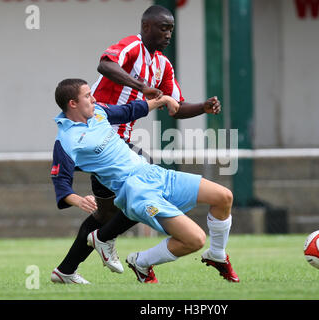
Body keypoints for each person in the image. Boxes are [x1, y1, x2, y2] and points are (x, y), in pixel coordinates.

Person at [51, 4, 222, 283]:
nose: (168, 34)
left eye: (171, 29)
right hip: (97, 138)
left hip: (117, 144)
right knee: (140, 189)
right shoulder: (132, 45)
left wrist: (203, 107)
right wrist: (140, 87)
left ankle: (68, 268)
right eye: (163, 28)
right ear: (146, 28)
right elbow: (104, 64)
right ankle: (103, 243)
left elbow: (173, 106)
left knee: (107, 214)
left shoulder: (163, 65)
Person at [51, 79, 239, 284]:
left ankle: (217, 254)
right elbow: (61, 182)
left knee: (224, 197)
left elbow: (129, 110)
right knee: (195, 240)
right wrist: (79, 200)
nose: (93, 98)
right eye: (87, 96)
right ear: (73, 103)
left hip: (153, 173)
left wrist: (164, 99)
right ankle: (141, 261)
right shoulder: (67, 140)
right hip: (136, 191)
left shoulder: (98, 112)